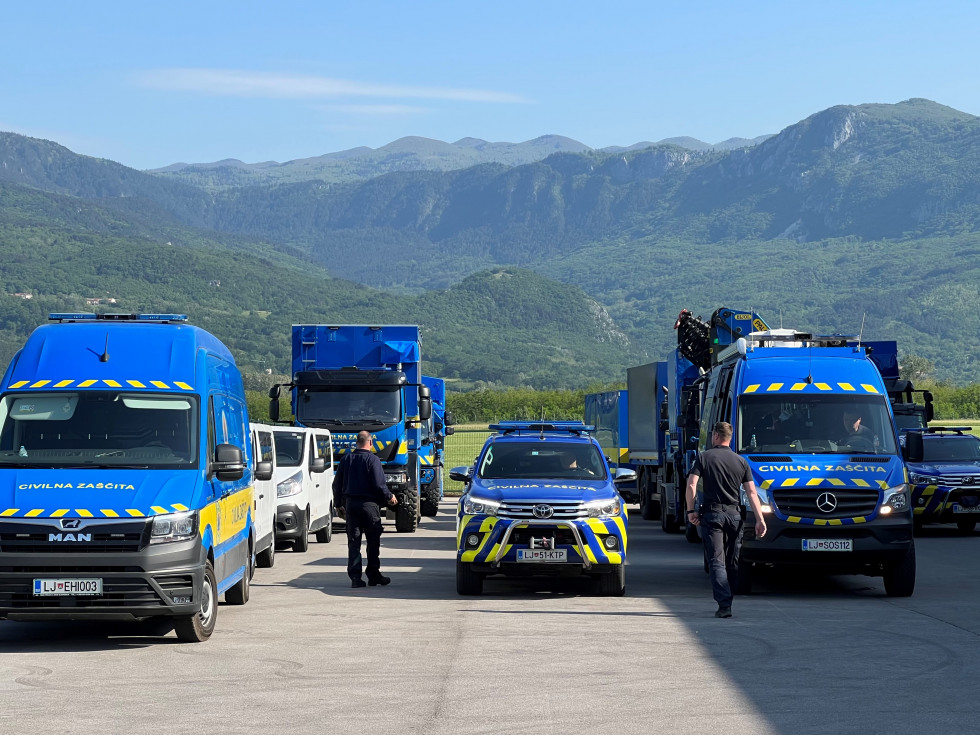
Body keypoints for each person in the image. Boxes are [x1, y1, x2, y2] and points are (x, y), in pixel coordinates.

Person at [685, 421, 767, 618]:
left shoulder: (704, 458)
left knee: (716, 560)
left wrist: (690, 511)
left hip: (713, 515)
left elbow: (691, 485)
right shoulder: (741, 461)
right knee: (732, 561)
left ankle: (724, 604)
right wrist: (760, 519)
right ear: (730, 439)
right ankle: (728, 597)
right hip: (735, 516)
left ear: (715, 436)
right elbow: (752, 492)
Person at [332, 431, 398, 588]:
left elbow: (337, 484)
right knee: (373, 541)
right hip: (369, 506)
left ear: (357, 442)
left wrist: (338, 504)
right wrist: (390, 497)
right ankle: (373, 574)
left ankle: (355, 578)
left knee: (354, 542)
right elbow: (379, 484)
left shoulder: (346, 459)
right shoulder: (373, 460)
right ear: (370, 443)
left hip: (351, 506)